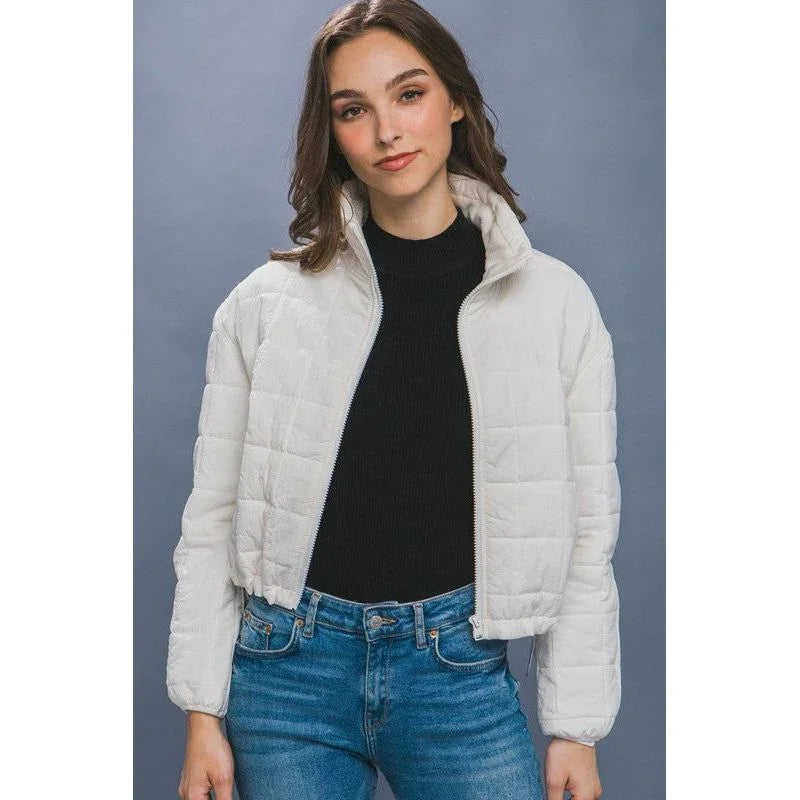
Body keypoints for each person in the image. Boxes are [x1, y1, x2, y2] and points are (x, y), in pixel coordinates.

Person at [166, 2, 621, 799]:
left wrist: (575, 728)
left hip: (458, 674)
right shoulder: (263, 306)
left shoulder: (556, 305)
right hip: (286, 675)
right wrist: (203, 713)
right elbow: (213, 516)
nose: (387, 131)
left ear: (457, 100)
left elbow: (587, 530)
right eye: (353, 110)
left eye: (409, 94)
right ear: (332, 133)